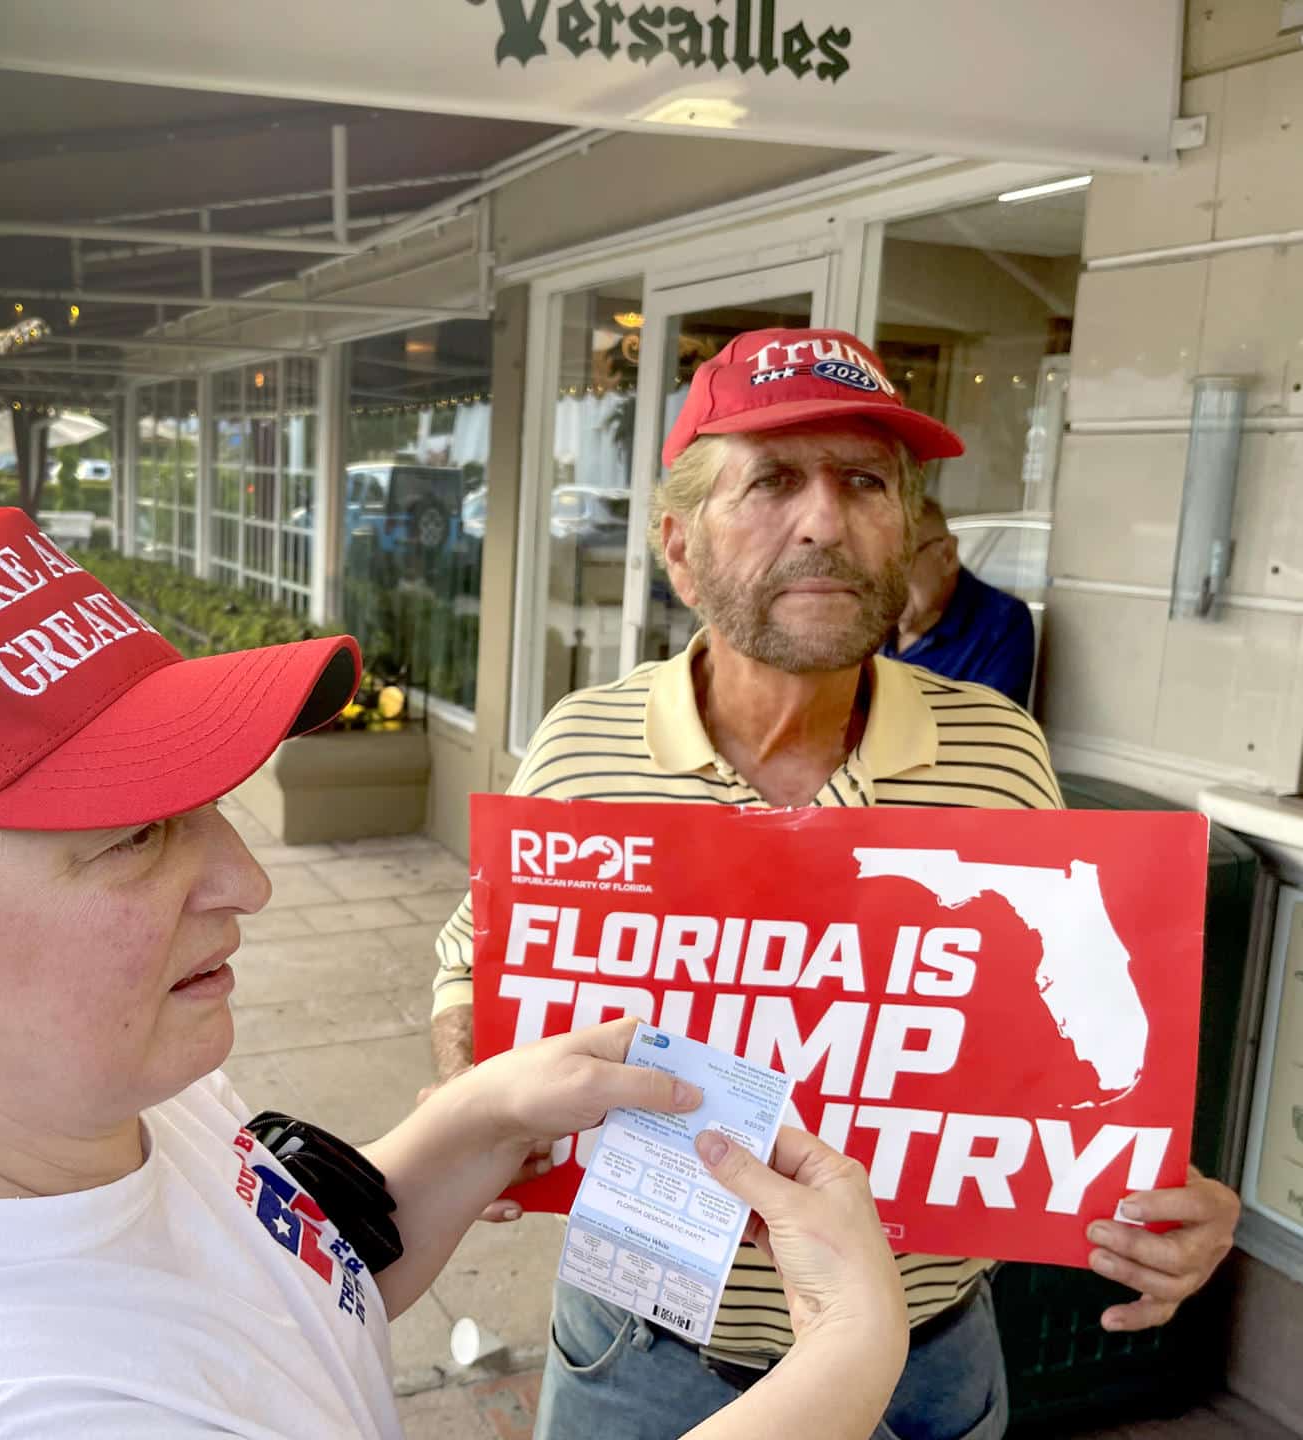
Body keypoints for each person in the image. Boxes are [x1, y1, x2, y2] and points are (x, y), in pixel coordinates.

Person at [0, 505, 913, 1440]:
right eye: (138, 836)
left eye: (207, 805)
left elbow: (300, 1285)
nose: (244, 883)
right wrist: (844, 1366)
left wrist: (479, 1117)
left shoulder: (78, 1097)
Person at [427, 327, 1240, 1440]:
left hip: (923, 1350)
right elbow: (477, 959)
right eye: (770, 481)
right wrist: (469, 1069)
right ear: (677, 548)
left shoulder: (999, 753)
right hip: (646, 1340)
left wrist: (1146, 1184)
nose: (824, 519)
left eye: (865, 481)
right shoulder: (584, 747)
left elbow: (1032, 1025)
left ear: (905, 534)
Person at [881, 497, 1036, 706]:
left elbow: (990, 730)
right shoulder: (869, 617)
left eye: (900, 562)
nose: (884, 580)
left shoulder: (999, 624)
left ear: (947, 555)